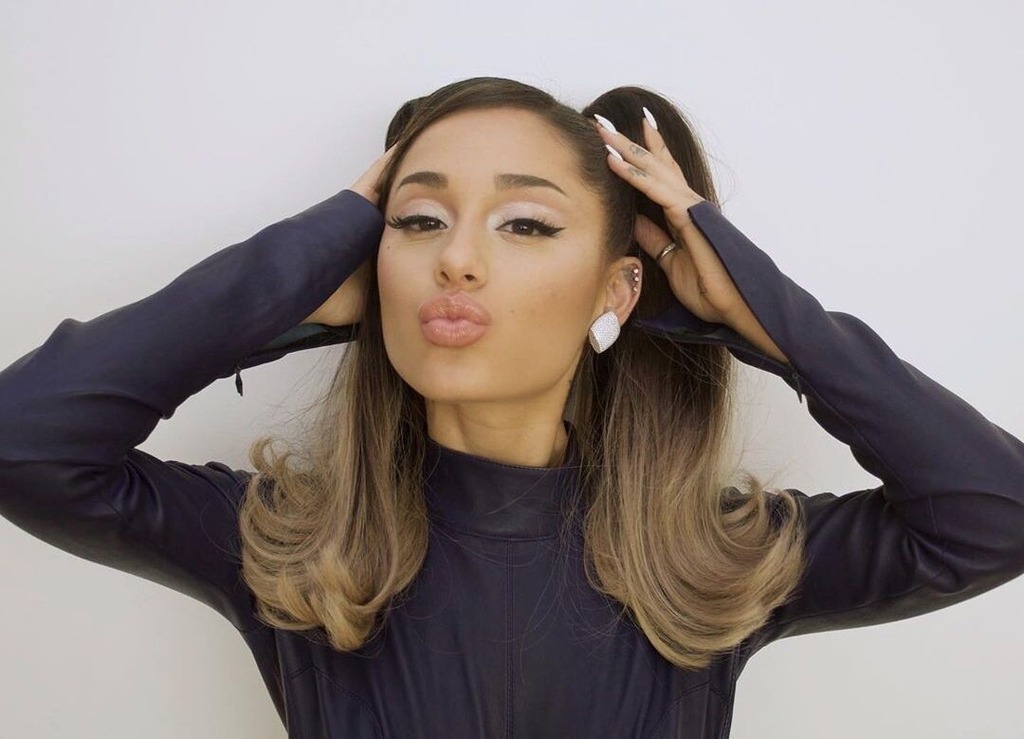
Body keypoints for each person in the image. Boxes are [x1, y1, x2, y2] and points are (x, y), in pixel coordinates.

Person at [1, 76, 1022, 738]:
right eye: (417, 220)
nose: (456, 256)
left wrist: (759, 313)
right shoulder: (291, 550)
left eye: (525, 223)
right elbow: (24, 438)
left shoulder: (709, 564)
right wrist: (291, 280)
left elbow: (996, 511)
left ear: (618, 290)